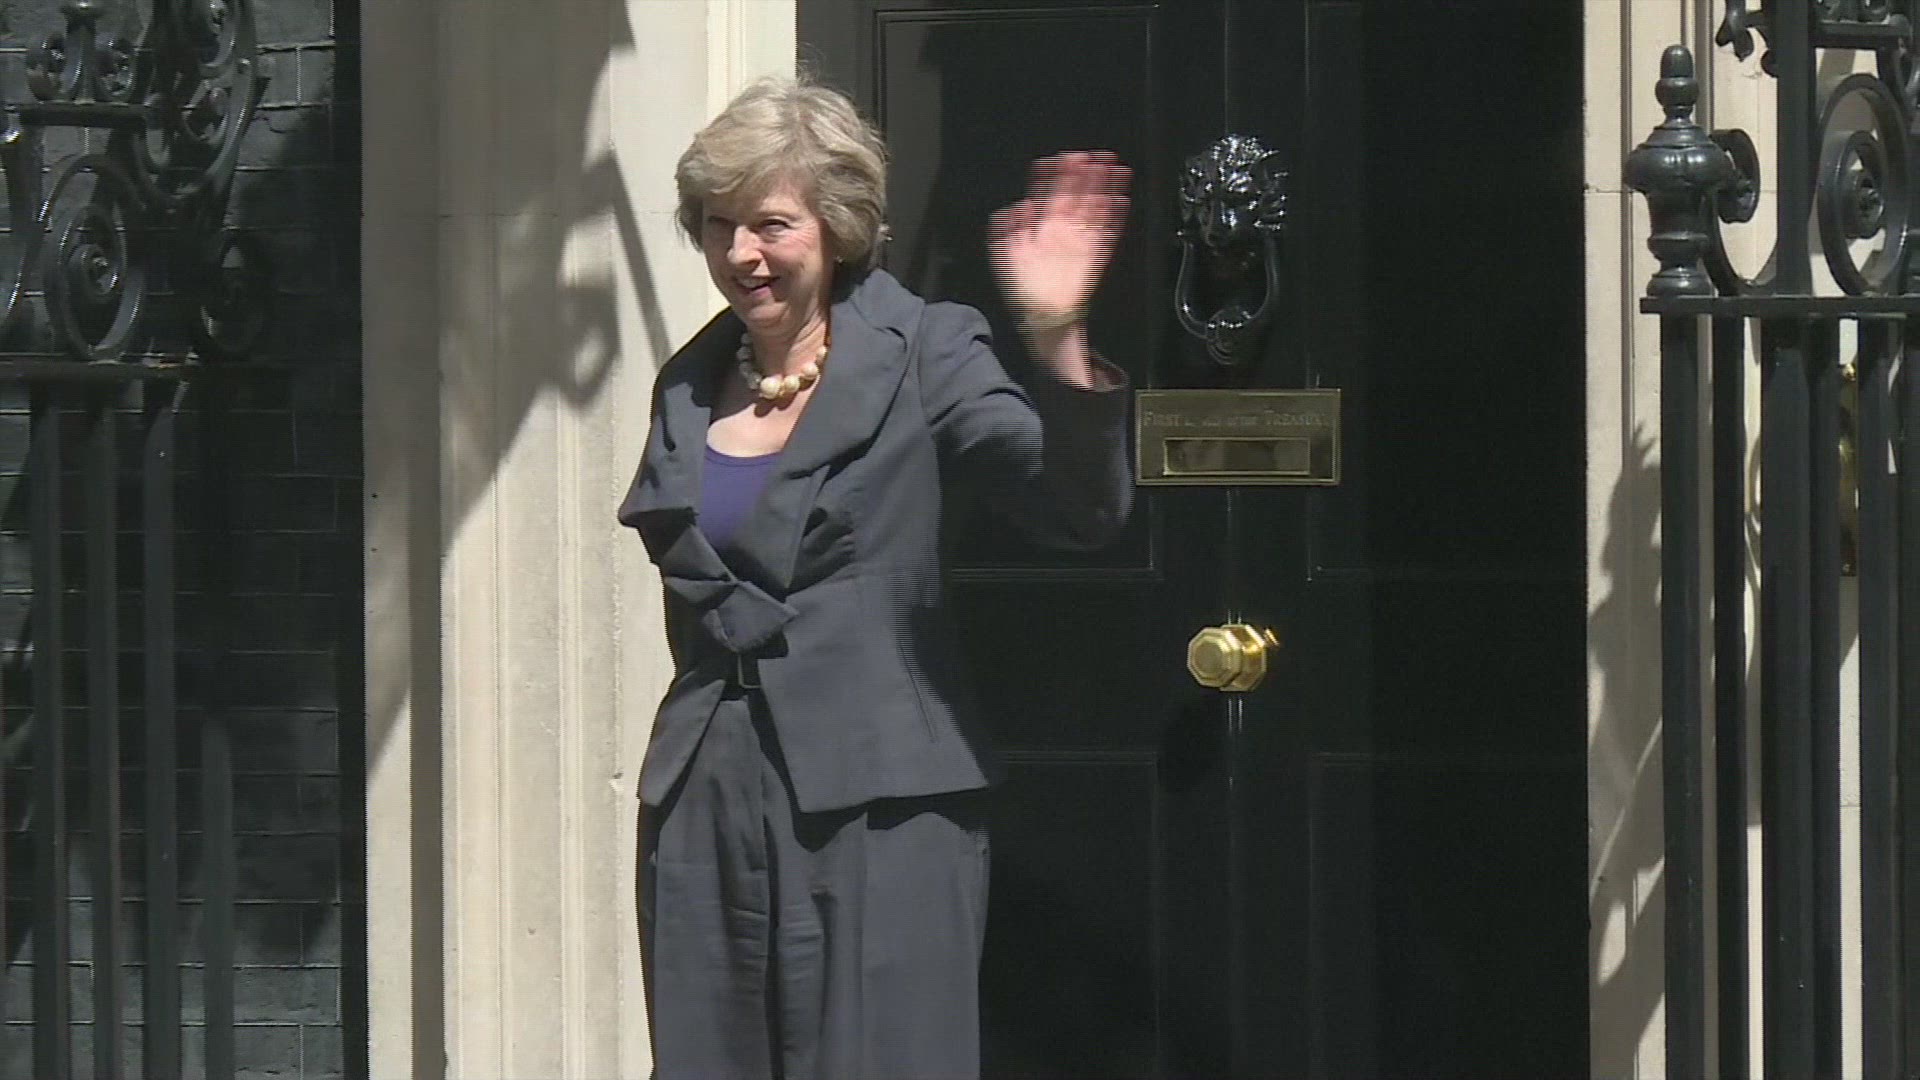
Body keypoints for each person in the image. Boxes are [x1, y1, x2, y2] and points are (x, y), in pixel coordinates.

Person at [618, 74, 1132, 1080]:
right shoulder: (688, 381)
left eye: (771, 224)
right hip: (707, 790)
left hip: (882, 801)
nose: (741, 253)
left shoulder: (926, 351)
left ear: (838, 226)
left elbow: (1079, 509)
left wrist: (1057, 338)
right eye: (719, 225)